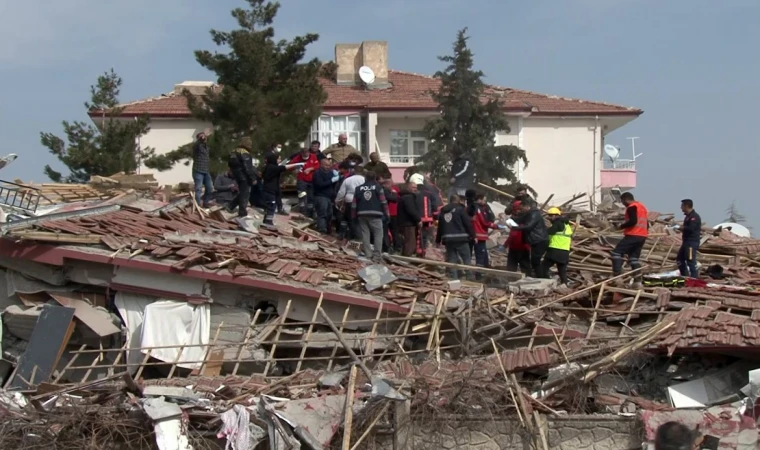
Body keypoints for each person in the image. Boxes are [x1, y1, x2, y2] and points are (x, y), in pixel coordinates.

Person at [612, 192, 649, 286]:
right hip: (642, 235)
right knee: (634, 258)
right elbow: (647, 224)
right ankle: (637, 282)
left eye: (623, 202)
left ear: (625, 199)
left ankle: (617, 277)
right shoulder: (642, 207)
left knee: (617, 253)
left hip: (633, 234)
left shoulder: (632, 207)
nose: (623, 204)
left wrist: (621, 226)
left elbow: (633, 221)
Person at [352, 171, 390, 261]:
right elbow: (383, 202)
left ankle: (368, 255)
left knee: (365, 234)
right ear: (375, 178)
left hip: (361, 214)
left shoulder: (358, 188)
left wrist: (353, 216)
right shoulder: (378, 187)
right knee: (378, 235)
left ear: (365, 178)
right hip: (375, 214)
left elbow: (354, 204)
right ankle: (377, 256)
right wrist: (387, 214)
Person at [436, 195, 476, 280]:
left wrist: (438, 240)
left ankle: (454, 278)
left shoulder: (443, 212)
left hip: (448, 239)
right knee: (466, 259)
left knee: (452, 259)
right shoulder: (460, 209)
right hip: (461, 238)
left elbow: (440, 227)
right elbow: (468, 223)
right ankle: (469, 277)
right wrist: (473, 235)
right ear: (458, 201)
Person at [261, 152, 304, 227]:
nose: (280, 160)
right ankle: (268, 221)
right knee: (272, 206)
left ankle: (266, 220)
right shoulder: (272, 167)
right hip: (269, 190)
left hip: (271, 190)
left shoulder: (270, 167)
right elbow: (283, 167)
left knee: (270, 206)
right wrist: (297, 164)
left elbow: (282, 166)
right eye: (278, 159)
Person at [510, 199, 549, 277]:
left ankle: (542, 278)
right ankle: (541, 276)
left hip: (540, 240)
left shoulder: (534, 214)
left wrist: (516, 228)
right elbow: (520, 219)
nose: (521, 210)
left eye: (521, 208)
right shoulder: (528, 213)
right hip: (535, 241)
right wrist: (511, 219)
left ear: (526, 206)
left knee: (535, 261)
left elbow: (529, 226)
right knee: (535, 261)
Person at [541, 207, 573, 286]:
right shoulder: (567, 225)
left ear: (556, 216)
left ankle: (545, 283)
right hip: (565, 251)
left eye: (551, 216)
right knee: (562, 270)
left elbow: (549, 231)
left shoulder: (558, 223)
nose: (549, 218)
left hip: (555, 250)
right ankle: (564, 285)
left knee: (543, 268)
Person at [473, 194, 505, 270]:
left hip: (479, 235)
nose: (485, 202)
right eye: (484, 200)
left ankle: (485, 269)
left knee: (483, 254)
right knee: (480, 255)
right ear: (479, 199)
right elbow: (485, 222)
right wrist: (496, 226)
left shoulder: (475, 207)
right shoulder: (478, 209)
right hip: (480, 235)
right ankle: (479, 274)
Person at [228, 137, 258, 218]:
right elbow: (248, 167)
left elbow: (230, 164)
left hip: (236, 174)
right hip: (244, 176)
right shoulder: (245, 153)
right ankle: (242, 212)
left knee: (242, 193)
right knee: (245, 194)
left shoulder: (234, 151)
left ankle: (230, 206)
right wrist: (253, 178)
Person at [289, 146, 321, 217]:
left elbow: (318, 166)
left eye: (307, 154)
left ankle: (310, 213)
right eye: (303, 155)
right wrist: (294, 170)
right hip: (302, 181)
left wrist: (310, 169)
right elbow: (290, 166)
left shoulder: (313, 157)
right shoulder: (297, 158)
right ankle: (302, 212)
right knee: (302, 196)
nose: (305, 156)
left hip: (311, 181)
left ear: (309, 153)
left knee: (311, 197)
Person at [336, 165, 365, 242]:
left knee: (348, 219)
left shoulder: (348, 180)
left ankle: (345, 235)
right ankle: (358, 237)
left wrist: (337, 200)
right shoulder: (364, 180)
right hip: (361, 202)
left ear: (354, 171)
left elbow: (341, 192)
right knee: (358, 220)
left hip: (349, 200)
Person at [410, 173, 437, 255]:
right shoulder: (429, 193)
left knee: (416, 236)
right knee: (424, 236)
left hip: (417, 218)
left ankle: (417, 252)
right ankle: (423, 251)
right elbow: (434, 207)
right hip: (428, 219)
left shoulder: (414, 194)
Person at [504, 199, 532, 273]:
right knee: (512, 268)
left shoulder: (524, 220)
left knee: (523, 268)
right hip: (516, 247)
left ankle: (526, 282)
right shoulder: (520, 219)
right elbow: (512, 234)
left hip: (522, 247)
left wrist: (505, 244)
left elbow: (514, 234)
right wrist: (506, 244)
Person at [312, 158, 339, 234]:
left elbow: (333, 184)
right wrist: (331, 180)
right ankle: (322, 229)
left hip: (329, 197)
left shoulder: (331, 173)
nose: (328, 167)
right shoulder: (318, 173)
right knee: (322, 213)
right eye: (326, 165)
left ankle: (327, 229)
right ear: (321, 165)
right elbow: (320, 184)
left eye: (329, 165)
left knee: (329, 214)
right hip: (320, 196)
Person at [677, 199, 702, 278]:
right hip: (686, 242)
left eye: (682, 206)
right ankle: (685, 276)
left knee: (691, 261)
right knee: (679, 259)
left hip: (692, 242)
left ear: (686, 206)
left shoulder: (694, 217)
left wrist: (681, 228)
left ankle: (694, 279)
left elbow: (691, 228)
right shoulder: (688, 217)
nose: (681, 208)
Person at [397, 181, 422, 256]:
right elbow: (411, 210)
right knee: (410, 243)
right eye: (413, 187)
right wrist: (418, 219)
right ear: (408, 187)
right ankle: (407, 258)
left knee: (408, 242)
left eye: (416, 188)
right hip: (408, 224)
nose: (415, 189)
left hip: (406, 223)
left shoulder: (406, 197)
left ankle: (406, 256)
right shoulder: (408, 197)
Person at [379, 175, 400, 253]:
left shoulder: (392, 189)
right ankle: (390, 248)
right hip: (389, 214)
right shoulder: (388, 190)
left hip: (391, 214)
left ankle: (391, 247)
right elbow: (395, 199)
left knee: (390, 231)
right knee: (390, 231)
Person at [192, 131, 214, 207]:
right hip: (198, 170)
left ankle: (206, 202)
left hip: (206, 171)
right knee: (198, 189)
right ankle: (198, 205)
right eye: (201, 137)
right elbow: (199, 142)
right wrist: (203, 136)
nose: (203, 138)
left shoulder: (207, 147)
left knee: (210, 187)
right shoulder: (197, 146)